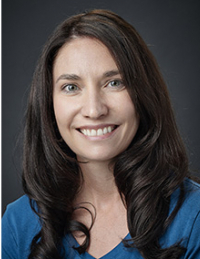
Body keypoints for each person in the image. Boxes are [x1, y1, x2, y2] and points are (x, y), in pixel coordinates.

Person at [2, 9, 200, 259]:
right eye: (71, 87)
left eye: (114, 82)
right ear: (48, 104)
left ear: (143, 94)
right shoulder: (18, 224)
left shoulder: (194, 217)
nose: (94, 110)